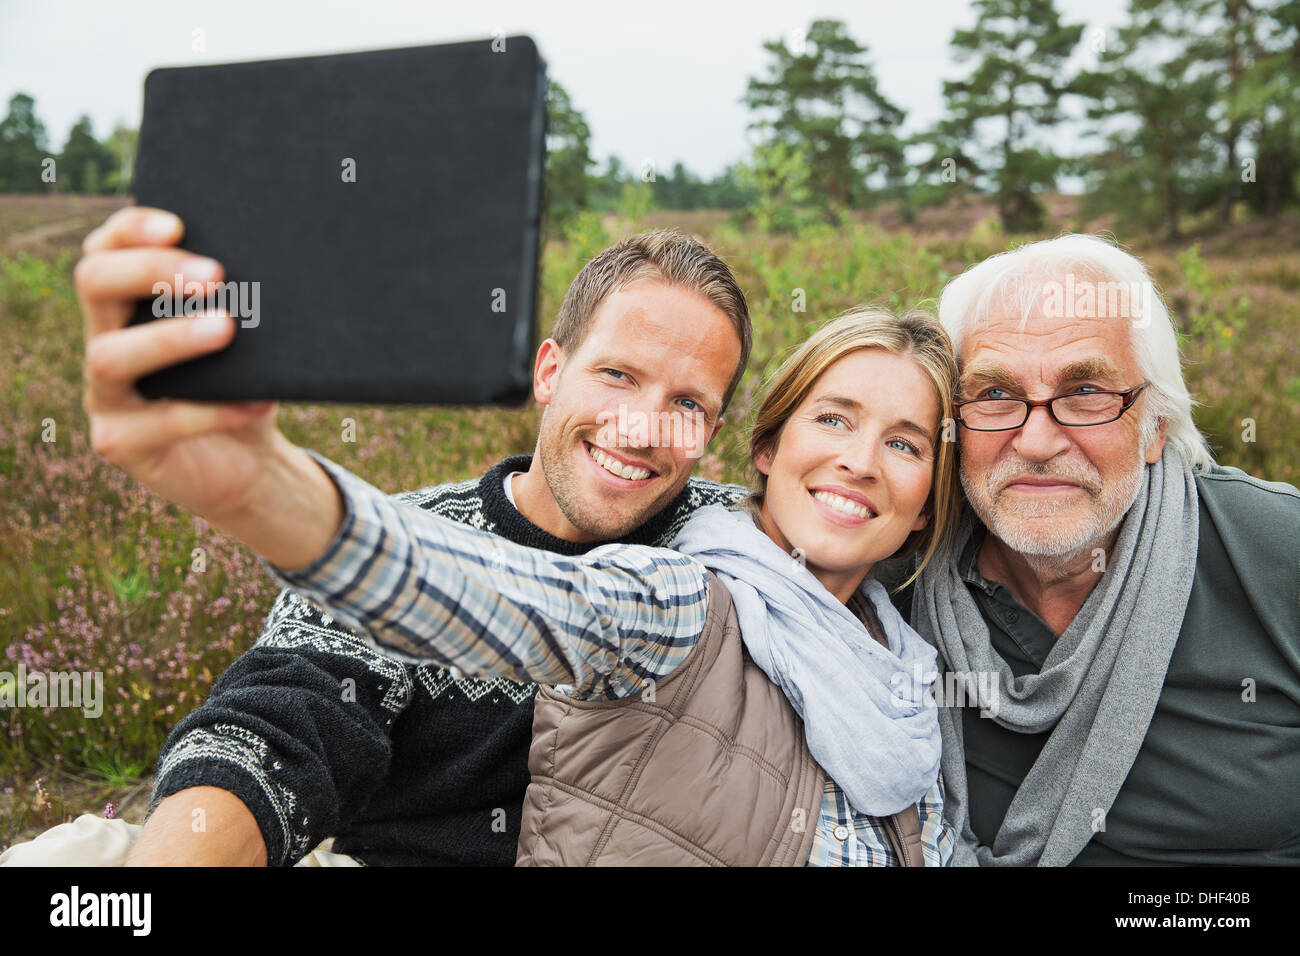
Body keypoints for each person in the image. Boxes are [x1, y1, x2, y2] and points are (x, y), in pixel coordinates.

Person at [1, 214, 753, 866]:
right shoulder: (405, 537)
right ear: (549, 370)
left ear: (714, 433)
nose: (643, 426)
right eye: (618, 375)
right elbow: (283, 721)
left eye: (687, 402)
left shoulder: (733, 549)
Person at [151, 307, 965, 866]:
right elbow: (496, 602)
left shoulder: (907, 654)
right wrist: (267, 493)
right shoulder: (687, 588)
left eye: (904, 444)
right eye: (832, 419)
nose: (859, 460)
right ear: (767, 446)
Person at [900, 233, 1300, 866]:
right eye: (996, 395)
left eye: (1086, 392)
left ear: (1155, 427)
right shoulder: (888, 571)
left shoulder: (1278, 551)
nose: (1035, 441)